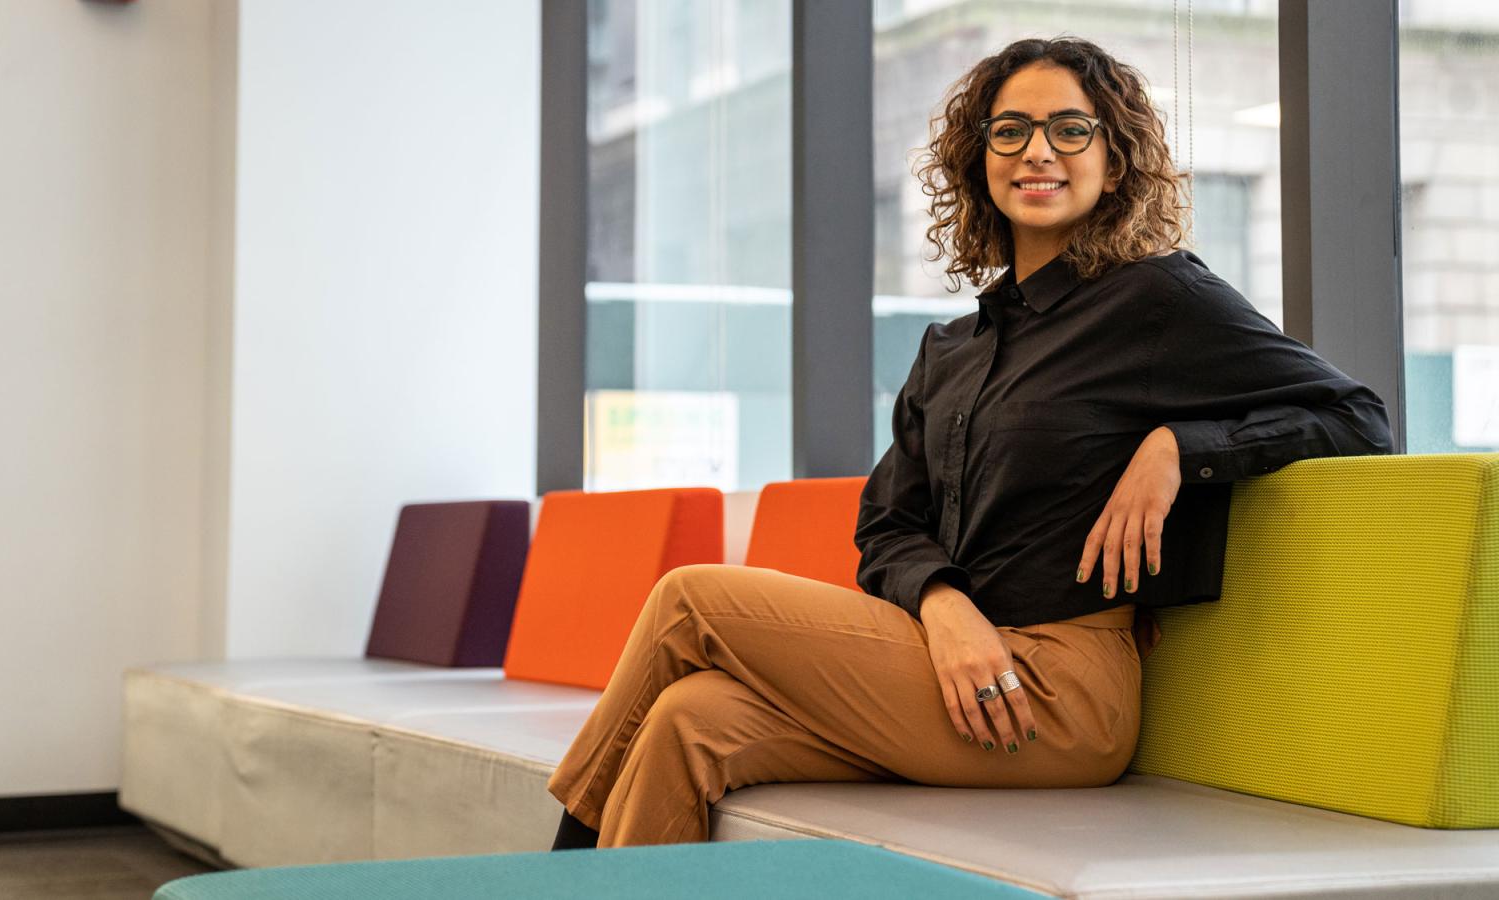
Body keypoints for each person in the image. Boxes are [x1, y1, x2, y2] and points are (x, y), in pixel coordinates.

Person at [545, 35, 1393, 850]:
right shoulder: (951, 349)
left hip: (1060, 695)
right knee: (688, 721)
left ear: (1114, 156)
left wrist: (1180, 446)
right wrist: (946, 608)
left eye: (1070, 129)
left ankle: (557, 864)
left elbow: (1359, 419)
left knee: (687, 598)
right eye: (1011, 130)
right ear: (978, 158)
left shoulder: (1158, 301)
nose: (1039, 152)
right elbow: (885, 528)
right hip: (949, 665)